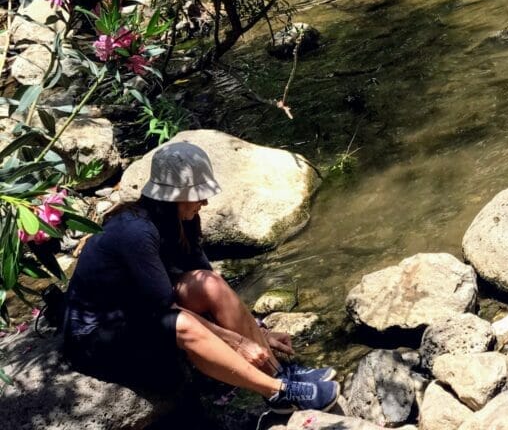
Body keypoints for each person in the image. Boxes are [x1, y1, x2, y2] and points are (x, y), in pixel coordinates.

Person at [62, 140, 339, 414]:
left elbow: (207, 282)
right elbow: (166, 311)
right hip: (95, 337)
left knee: (210, 284)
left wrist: (258, 331)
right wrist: (237, 342)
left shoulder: (178, 221)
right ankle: (277, 391)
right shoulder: (136, 232)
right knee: (183, 324)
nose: (205, 201)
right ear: (174, 196)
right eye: (198, 194)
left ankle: (280, 375)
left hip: (135, 309)